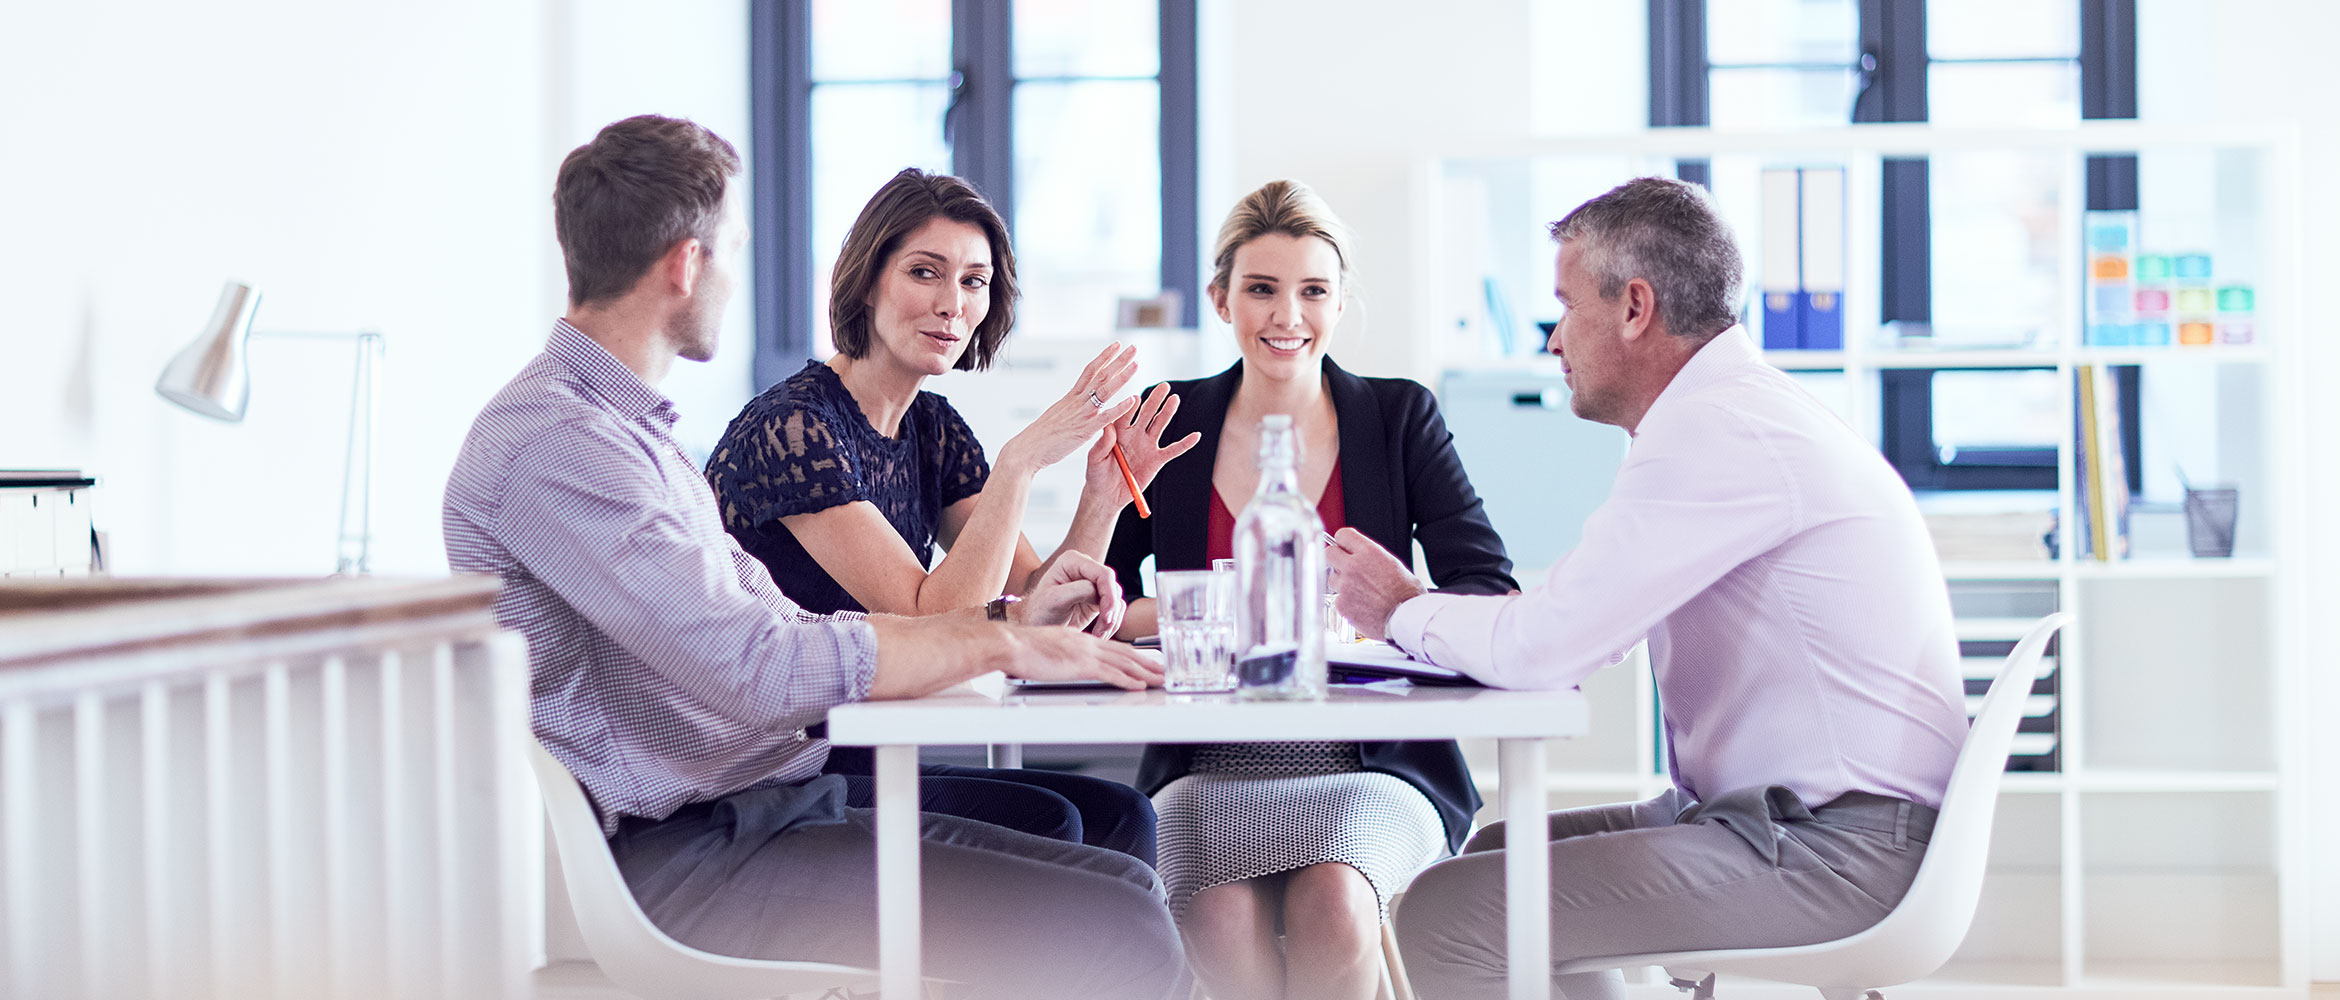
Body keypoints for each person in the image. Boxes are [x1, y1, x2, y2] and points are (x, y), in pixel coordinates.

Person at [443, 115, 1184, 1000]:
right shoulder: (560, 445)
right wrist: (998, 639)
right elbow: (757, 665)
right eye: (734, 249)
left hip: (760, 804)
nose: (735, 272)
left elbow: (783, 626)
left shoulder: (626, 432)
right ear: (686, 263)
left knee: (1121, 875)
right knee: (1114, 922)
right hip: (686, 851)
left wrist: (1010, 622)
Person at [1327, 176, 1968, 999]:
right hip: (1796, 823)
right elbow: (1580, 621)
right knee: (1490, 856)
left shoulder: (1716, 430)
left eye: (1564, 308)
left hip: (1840, 852)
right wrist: (1443, 615)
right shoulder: (1732, 414)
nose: (1553, 342)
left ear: (1635, 308)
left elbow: (1550, 647)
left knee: (1450, 913)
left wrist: (1402, 608)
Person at [704, 167, 1195, 865]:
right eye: (924, 273)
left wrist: (1102, 498)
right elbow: (929, 615)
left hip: (870, 751)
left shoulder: (931, 427)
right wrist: (1023, 460)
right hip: (776, 777)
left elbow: (1032, 603)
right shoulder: (792, 430)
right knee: (1056, 824)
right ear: (868, 280)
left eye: (973, 281)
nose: (951, 304)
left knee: (1120, 814)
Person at [1100, 180, 1516, 1000]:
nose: (1287, 316)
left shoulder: (1399, 420)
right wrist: (1213, 608)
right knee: (1215, 916)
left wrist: (1396, 604)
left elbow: (1486, 584)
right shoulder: (1170, 419)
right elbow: (1091, 605)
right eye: (1261, 290)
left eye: (1312, 292)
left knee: (1333, 896)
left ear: (1338, 301)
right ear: (1222, 299)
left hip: (1379, 762)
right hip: (1207, 765)